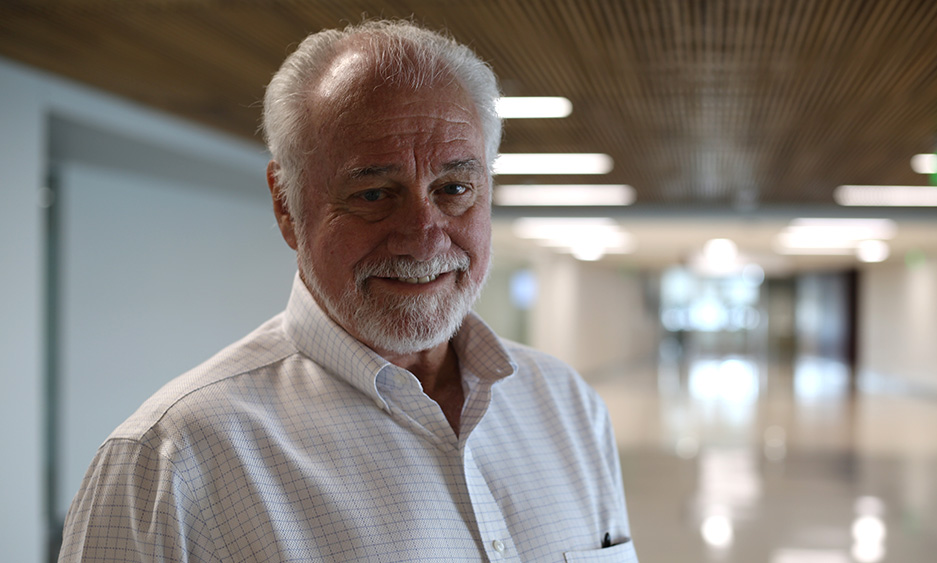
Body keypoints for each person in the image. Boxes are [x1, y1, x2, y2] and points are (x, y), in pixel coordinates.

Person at [59, 20, 636, 562]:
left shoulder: (567, 405)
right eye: (373, 193)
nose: (423, 238)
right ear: (287, 206)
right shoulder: (168, 466)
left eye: (454, 187)